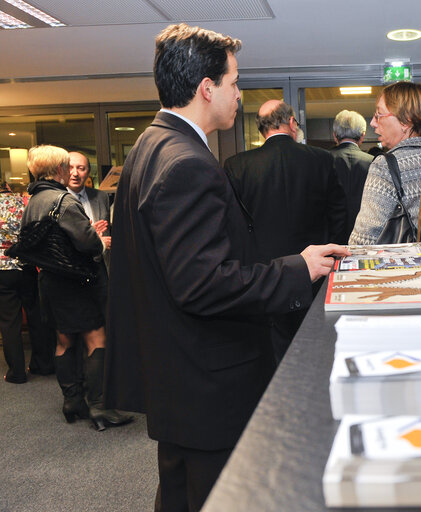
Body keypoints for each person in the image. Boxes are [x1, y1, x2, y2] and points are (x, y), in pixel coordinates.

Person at [104, 24, 348, 511]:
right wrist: (298, 268)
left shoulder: (149, 147)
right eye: (234, 82)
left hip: (177, 370)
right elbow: (203, 284)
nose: (239, 93)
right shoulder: (184, 162)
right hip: (207, 379)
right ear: (206, 88)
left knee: (180, 493)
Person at [223, 100, 347, 361]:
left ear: (261, 129)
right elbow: (339, 217)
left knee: (271, 356)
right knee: (316, 351)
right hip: (315, 275)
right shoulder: (322, 159)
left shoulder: (237, 166)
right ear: (291, 123)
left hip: (264, 278)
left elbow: (233, 227)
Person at [21, 145, 132, 430]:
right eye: (66, 166)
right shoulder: (64, 202)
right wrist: (96, 237)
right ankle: (99, 406)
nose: (70, 170)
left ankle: (72, 401)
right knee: (97, 339)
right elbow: (90, 245)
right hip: (78, 284)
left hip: (51, 282)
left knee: (63, 341)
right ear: (57, 168)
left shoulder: (33, 199)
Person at [349, 81, 421, 255]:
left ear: (406, 121)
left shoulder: (385, 166)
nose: (373, 123)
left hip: (413, 271)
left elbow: (363, 241)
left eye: (379, 115)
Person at [0, 182, 55, 382]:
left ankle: (17, 372)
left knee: (9, 321)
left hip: (2, 269)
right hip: (27, 265)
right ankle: (42, 364)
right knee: (35, 315)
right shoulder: (26, 203)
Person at [329, 109, 374, 241]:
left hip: (331, 236)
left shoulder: (322, 161)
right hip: (365, 234)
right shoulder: (374, 162)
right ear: (362, 136)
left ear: (334, 136)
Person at [68, 152, 111, 266]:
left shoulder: (101, 197)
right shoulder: (56, 199)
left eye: (81, 168)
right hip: (72, 268)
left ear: (88, 172)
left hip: (101, 267)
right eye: (70, 168)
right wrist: (88, 236)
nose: (75, 173)